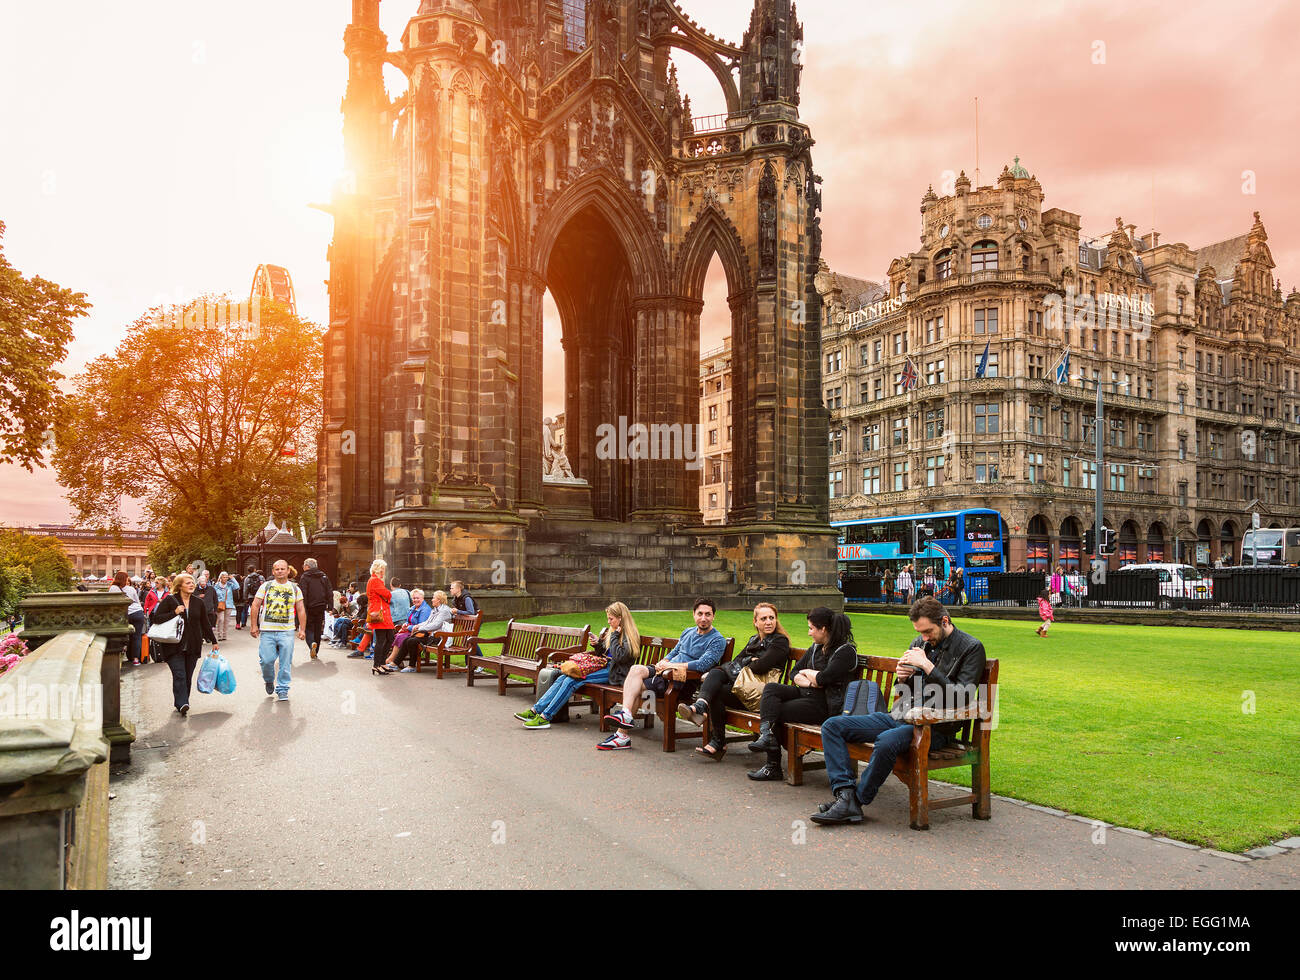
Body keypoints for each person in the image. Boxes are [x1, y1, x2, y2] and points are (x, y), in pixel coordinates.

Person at [811, 597, 986, 825]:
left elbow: (961, 696)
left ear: (944, 621)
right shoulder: (921, 643)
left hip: (934, 727)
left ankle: (856, 801)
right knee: (833, 726)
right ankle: (845, 795)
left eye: (928, 631)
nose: (924, 638)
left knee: (886, 740)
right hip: (901, 716)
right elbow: (906, 690)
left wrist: (927, 666)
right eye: (920, 632)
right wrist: (903, 679)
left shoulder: (971, 648)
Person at [597, 598, 727, 751]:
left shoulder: (717, 640)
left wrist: (670, 665)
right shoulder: (688, 632)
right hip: (664, 673)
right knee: (636, 670)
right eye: (700, 613)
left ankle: (622, 736)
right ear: (693, 614)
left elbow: (702, 665)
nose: (703, 618)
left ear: (714, 616)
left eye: (708, 614)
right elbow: (675, 651)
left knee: (636, 689)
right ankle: (625, 716)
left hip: (680, 680)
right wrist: (663, 661)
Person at [746, 607, 858, 782]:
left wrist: (813, 677)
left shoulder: (845, 652)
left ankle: (773, 766)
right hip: (806, 694)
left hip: (825, 705)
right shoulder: (815, 648)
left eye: (811, 628)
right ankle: (766, 734)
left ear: (824, 629)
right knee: (771, 689)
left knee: (776, 711)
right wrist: (810, 680)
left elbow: (823, 678)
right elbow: (795, 673)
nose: (809, 633)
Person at [679, 602, 791, 760]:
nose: (768, 622)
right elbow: (736, 661)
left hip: (761, 696)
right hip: (745, 690)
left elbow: (759, 666)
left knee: (716, 675)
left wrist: (747, 661)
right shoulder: (754, 640)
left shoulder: (780, 642)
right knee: (716, 688)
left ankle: (701, 708)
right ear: (755, 622)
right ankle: (714, 732)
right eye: (764, 618)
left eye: (772, 618)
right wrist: (748, 660)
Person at [518, 602, 640, 729]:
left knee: (572, 681)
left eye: (611, 619)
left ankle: (545, 717)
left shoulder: (628, 636)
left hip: (616, 673)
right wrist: (597, 644)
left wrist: (614, 636)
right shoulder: (615, 632)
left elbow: (619, 657)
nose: (608, 622)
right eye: (608, 618)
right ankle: (535, 711)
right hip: (605, 667)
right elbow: (605, 653)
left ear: (620, 618)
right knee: (562, 678)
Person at [150, 573, 220, 716]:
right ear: (179, 585)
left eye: (192, 582)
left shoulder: (198, 603)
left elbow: (205, 624)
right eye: (187, 583)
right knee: (180, 674)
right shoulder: (170, 600)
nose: (191, 585)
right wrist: (174, 612)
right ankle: (182, 703)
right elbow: (155, 619)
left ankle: (182, 702)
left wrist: (214, 641)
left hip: (193, 645)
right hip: (173, 645)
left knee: (187, 676)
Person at [248, 559, 307, 702]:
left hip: (287, 631)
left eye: (283, 569)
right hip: (267, 631)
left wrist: (302, 629)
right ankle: (269, 679)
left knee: (285, 662)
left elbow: (300, 609)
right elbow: (255, 605)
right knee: (266, 661)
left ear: (288, 571)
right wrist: (254, 625)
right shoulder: (266, 586)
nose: (280, 571)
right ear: (273, 572)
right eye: (277, 569)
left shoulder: (295, 588)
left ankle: (282, 689)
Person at [383, 589, 453, 673]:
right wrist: (417, 626)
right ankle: (395, 664)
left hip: (440, 638)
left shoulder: (444, 611)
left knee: (412, 641)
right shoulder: (435, 609)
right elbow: (427, 622)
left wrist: (419, 628)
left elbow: (436, 625)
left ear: (438, 600)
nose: (432, 599)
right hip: (432, 635)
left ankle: (411, 666)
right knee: (407, 640)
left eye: (433, 598)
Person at [298, 558, 335, 660]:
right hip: (321, 606)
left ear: (307, 566)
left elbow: (303, 593)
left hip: (309, 607)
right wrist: (330, 606)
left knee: (309, 628)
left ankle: (311, 644)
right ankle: (316, 650)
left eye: (303, 565)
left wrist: (302, 607)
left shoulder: (305, 577)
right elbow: (329, 591)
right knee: (318, 628)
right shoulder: (323, 576)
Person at [365, 559, 395, 675]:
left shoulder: (374, 580)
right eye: (381, 569)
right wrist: (388, 594)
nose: (383, 572)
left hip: (381, 613)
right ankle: (377, 665)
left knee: (389, 638)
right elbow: (387, 594)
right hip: (380, 613)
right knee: (382, 640)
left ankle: (381, 663)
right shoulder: (375, 580)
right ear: (377, 569)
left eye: (383, 570)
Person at [110, 571, 146, 666]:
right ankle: (135, 659)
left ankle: (121, 656)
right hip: (137, 613)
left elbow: (112, 604)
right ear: (125, 579)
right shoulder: (131, 589)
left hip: (124, 614)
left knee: (123, 635)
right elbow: (137, 602)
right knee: (137, 637)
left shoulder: (113, 588)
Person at [212, 571, 236, 642]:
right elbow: (214, 595)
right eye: (224, 577)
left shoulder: (230, 585)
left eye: (226, 577)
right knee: (220, 619)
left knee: (226, 620)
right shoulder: (216, 586)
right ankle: (219, 634)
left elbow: (237, 586)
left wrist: (233, 579)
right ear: (220, 578)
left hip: (228, 604)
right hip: (220, 604)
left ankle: (225, 635)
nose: (225, 579)